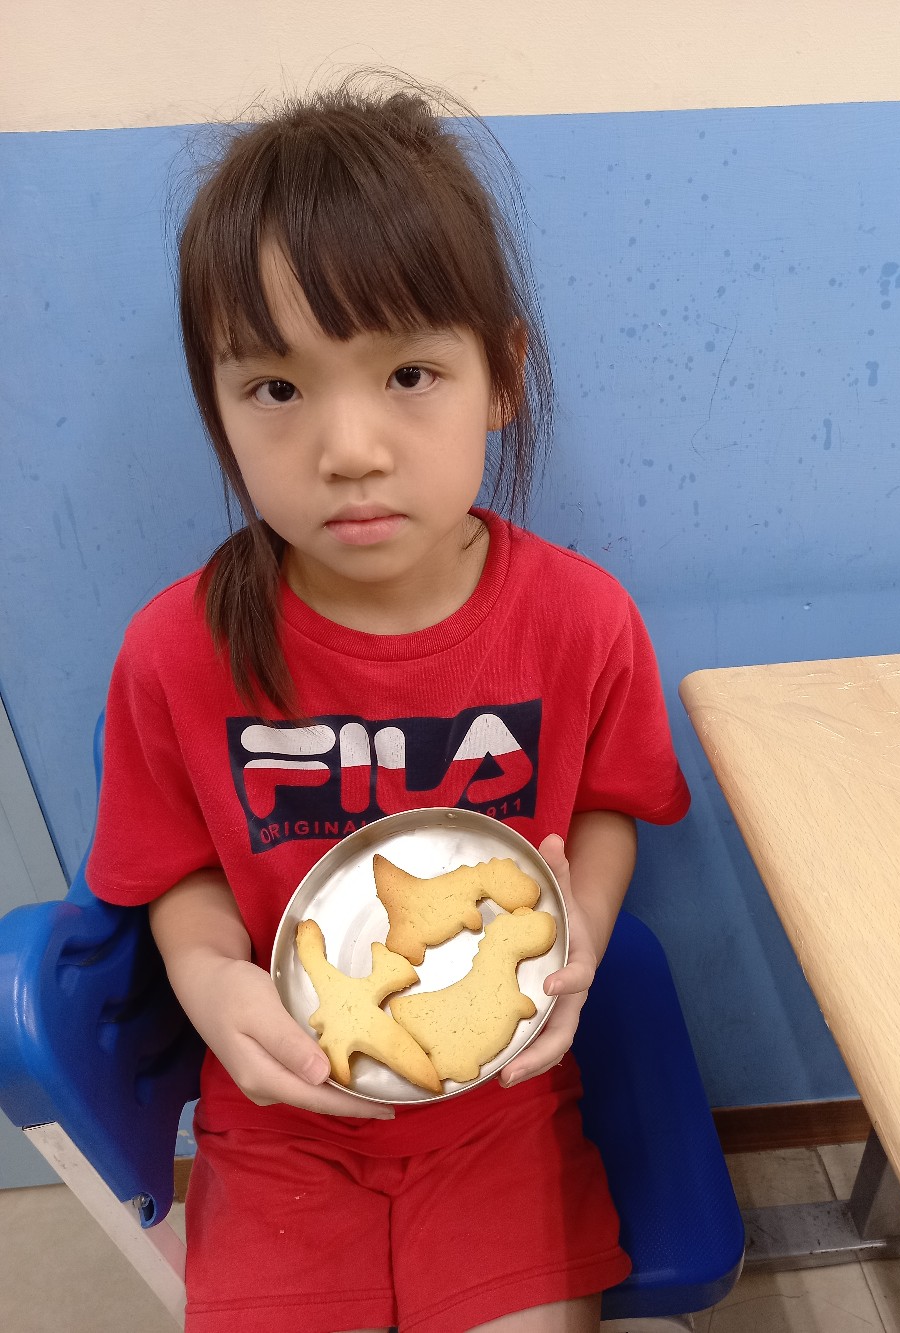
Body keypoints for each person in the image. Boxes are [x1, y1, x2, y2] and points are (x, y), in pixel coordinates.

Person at [87, 73, 691, 1333]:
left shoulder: (581, 620)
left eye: (410, 372)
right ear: (217, 404)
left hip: (504, 1104)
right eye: (277, 388)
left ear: (501, 375)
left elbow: (610, 806)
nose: (350, 449)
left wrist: (577, 929)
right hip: (282, 1114)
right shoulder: (172, 652)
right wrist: (206, 977)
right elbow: (174, 867)